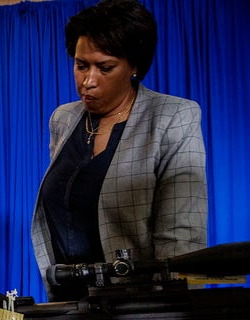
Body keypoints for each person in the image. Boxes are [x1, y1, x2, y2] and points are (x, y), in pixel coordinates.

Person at [30, 0, 207, 301]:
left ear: (134, 66)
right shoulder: (64, 119)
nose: (88, 82)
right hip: (67, 302)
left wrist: (174, 307)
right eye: (81, 65)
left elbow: (181, 238)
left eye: (105, 68)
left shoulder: (173, 116)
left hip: (139, 303)